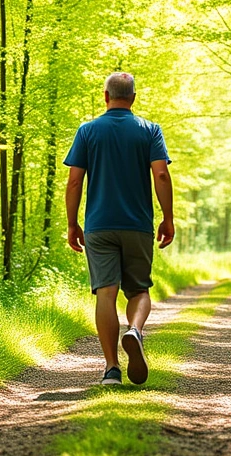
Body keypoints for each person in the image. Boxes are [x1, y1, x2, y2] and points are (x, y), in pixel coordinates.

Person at [64, 72, 174, 386]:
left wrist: (73, 223)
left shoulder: (87, 131)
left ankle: (111, 369)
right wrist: (168, 217)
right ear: (134, 98)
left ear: (105, 96)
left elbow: (74, 181)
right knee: (139, 290)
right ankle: (135, 331)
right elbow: (161, 176)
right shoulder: (150, 130)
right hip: (138, 225)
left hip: (99, 226)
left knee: (106, 294)